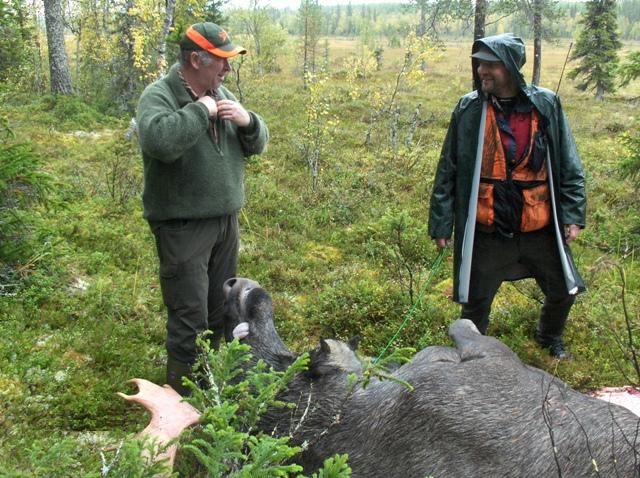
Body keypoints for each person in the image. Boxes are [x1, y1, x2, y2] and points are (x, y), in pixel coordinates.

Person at [428, 33, 586, 359]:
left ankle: (548, 337)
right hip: (488, 229)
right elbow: (448, 170)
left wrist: (572, 214)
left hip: (538, 226)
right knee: (475, 302)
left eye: (490, 64)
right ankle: (469, 353)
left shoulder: (546, 105)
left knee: (563, 289)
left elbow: (570, 165)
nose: (482, 70)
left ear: (511, 67)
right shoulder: (469, 108)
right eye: (480, 63)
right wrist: (441, 223)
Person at [136, 22, 269, 394]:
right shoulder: (159, 95)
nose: (227, 69)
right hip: (183, 229)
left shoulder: (220, 91)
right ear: (196, 59)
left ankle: (212, 393)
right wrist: (202, 110)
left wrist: (249, 122)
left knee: (220, 312)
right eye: (221, 61)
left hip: (225, 224)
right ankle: (180, 408)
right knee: (189, 319)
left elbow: (257, 144)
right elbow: (159, 140)